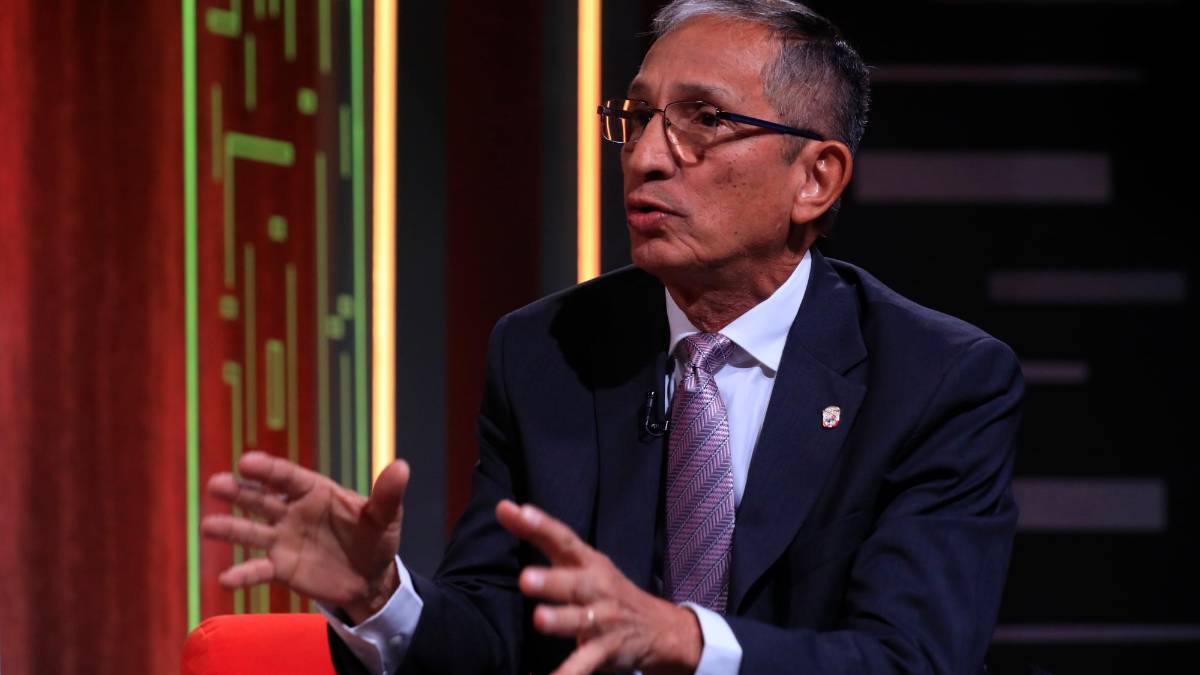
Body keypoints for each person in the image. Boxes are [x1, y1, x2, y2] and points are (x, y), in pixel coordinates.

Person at [202, 1, 1024, 673]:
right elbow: (493, 637)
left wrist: (685, 640)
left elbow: (910, 658)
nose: (645, 157)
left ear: (815, 178)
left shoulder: (937, 380)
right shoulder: (548, 350)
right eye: (637, 117)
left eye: (704, 119)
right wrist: (380, 596)